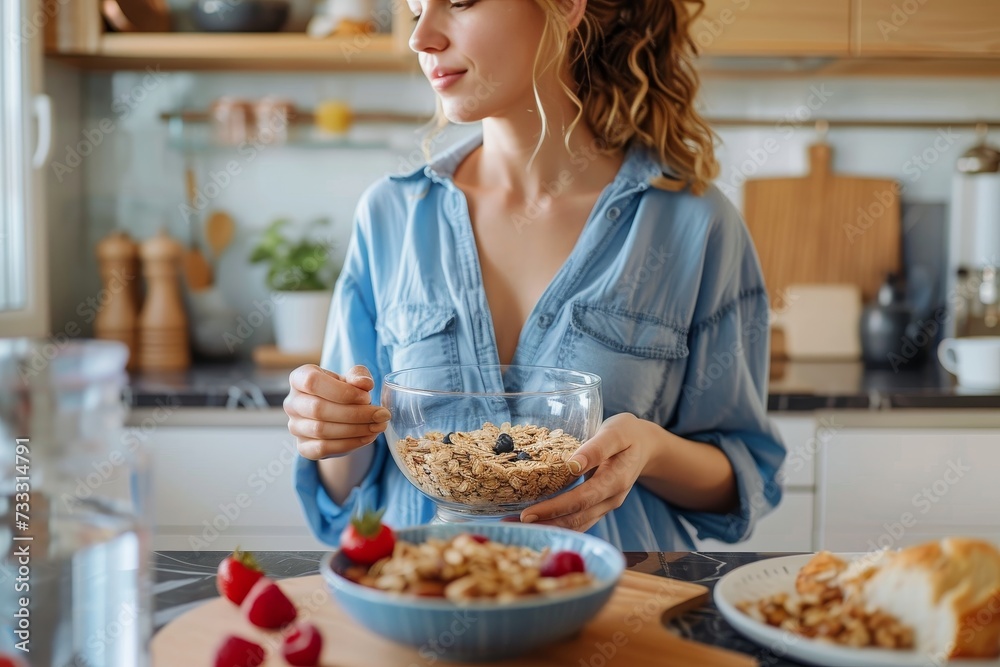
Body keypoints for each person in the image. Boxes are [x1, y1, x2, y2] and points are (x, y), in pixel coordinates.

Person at [284, 0, 786, 551]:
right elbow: (346, 488)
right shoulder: (389, 215)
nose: (420, 37)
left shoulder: (695, 223)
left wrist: (651, 450)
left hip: (616, 611)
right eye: (414, 7)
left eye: (456, 3)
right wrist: (330, 430)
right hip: (417, 601)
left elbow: (744, 481)